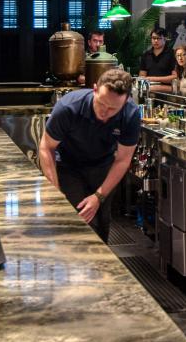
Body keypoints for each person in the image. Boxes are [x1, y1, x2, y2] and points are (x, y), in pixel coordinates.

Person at [39, 69, 139, 243]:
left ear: (124, 102)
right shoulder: (69, 107)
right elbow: (46, 148)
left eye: (112, 109)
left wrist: (99, 196)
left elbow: (123, 160)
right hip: (69, 167)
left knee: (102, 225)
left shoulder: (130, 114)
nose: (104, 112)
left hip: (103, 167)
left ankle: (100, 268)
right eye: (101, 103)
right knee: (82, 223)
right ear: (94, 90)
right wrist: (55, 193)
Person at [139, 27, 176, 94]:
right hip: (149, 91)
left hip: (167, 92)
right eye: (153, 38)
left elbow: (175, 78)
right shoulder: (146, 55)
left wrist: (152, 79)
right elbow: (142, 76)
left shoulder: (172, 54)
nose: (155, 41)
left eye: (158, 38)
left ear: (164, 39)